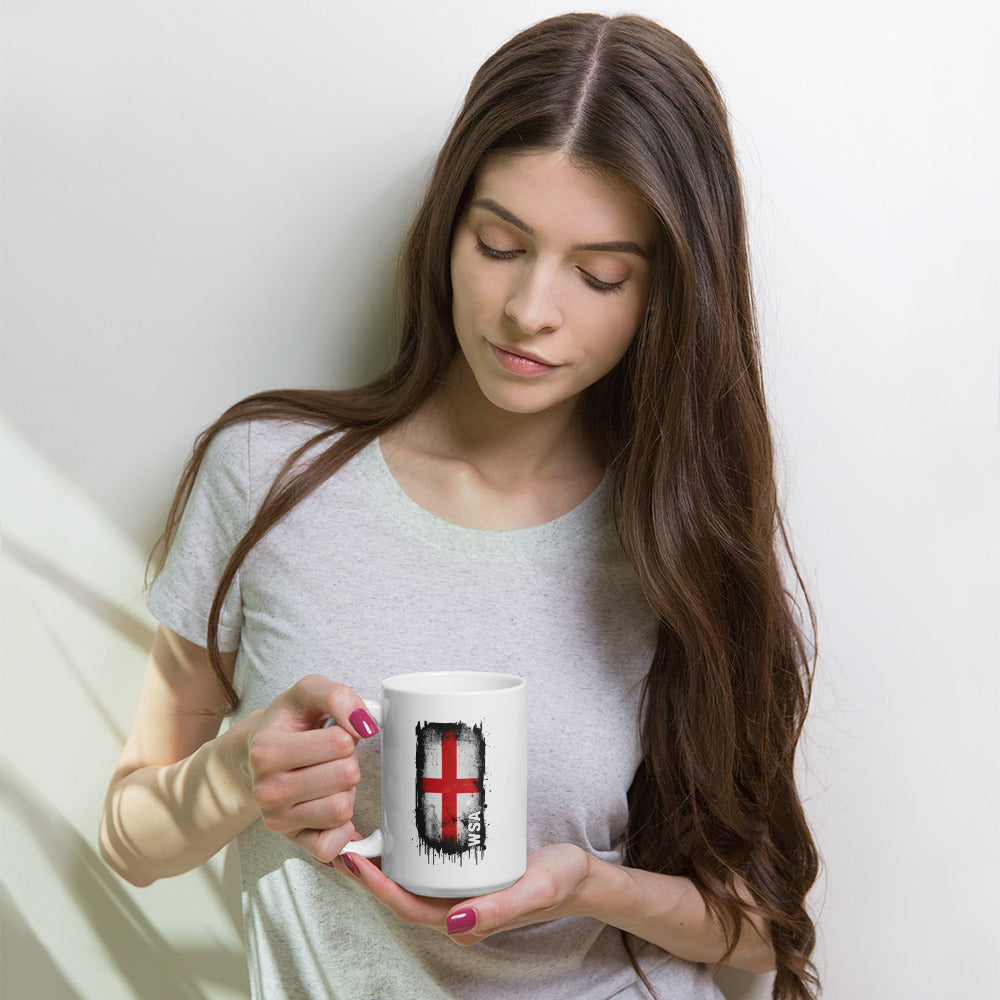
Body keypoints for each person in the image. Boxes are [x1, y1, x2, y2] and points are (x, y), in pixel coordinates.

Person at [99, 12, 819, 1000]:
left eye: (600, 273)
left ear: (664, 297)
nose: (531, 309)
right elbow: (130, 840)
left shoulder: (673, 536)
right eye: (497, 243)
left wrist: (590, 883)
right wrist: (235, 775)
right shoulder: (265, 476)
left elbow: (758, 929)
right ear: (447, 228)